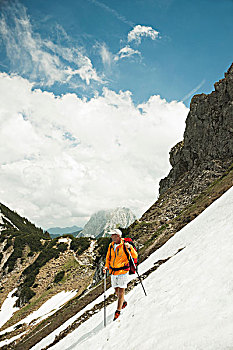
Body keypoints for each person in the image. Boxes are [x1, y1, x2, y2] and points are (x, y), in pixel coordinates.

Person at [103, 228, 138, 321]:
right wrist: (106, 266)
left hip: (123, 271)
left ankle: (118, 311)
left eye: (113, 235)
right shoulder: (111, 245)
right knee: (116, 290)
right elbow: (108, 258)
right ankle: (123, 301)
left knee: (121, 291)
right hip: (113, 271)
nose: (111, 236)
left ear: (118, 236)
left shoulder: (125, 245)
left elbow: (135, 256)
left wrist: (130, 247)